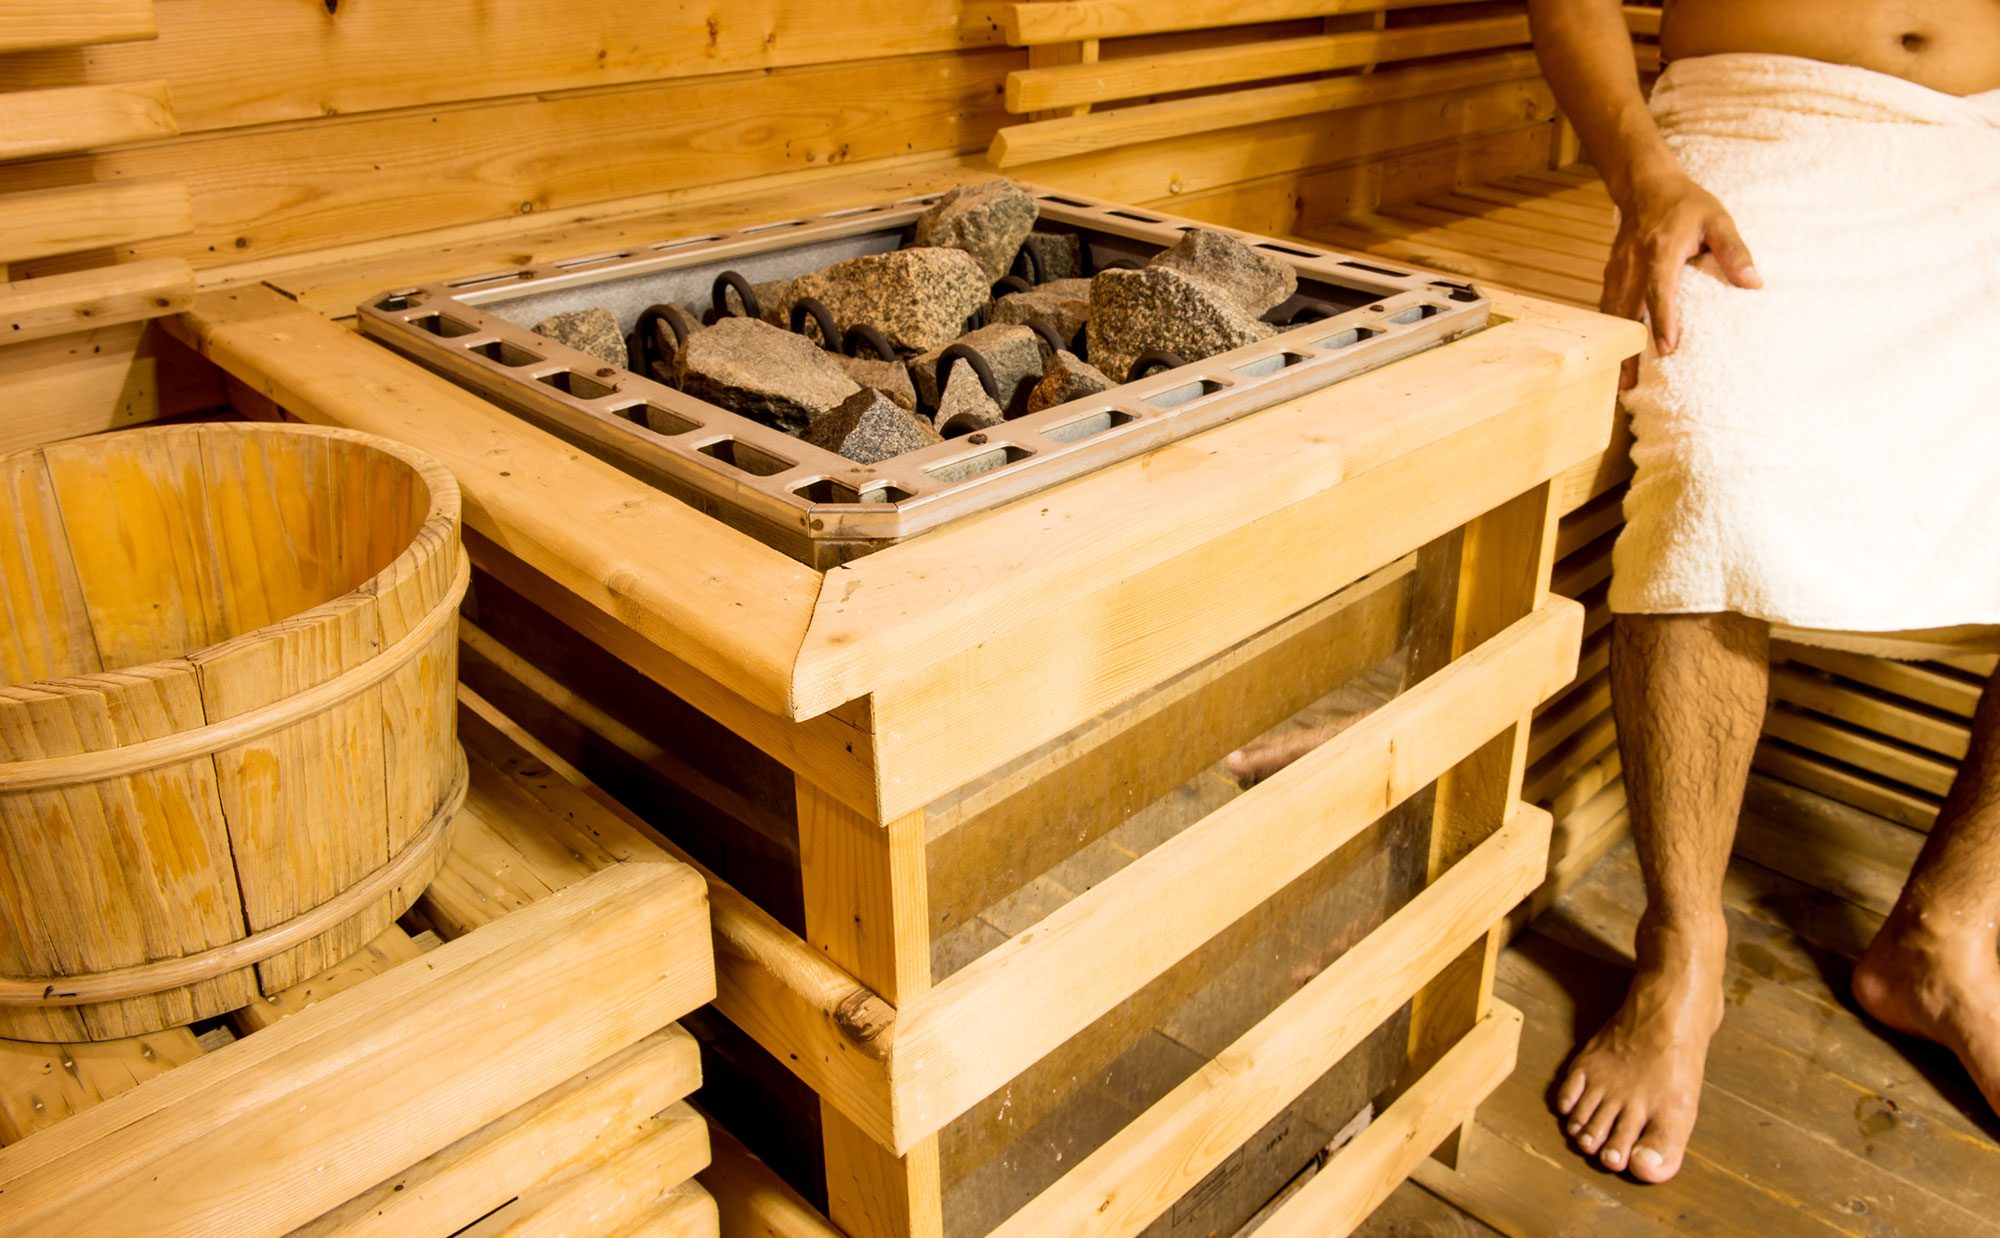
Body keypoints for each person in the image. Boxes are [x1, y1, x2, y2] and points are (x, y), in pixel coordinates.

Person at [1230, 0, 2000, 1187]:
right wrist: (1645, 174)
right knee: (1714, 467)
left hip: (1979, 163)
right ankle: (1680, 941)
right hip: (1754, 140)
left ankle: (1945, 934)